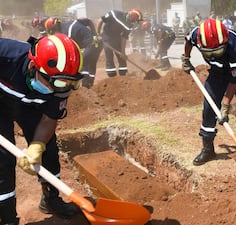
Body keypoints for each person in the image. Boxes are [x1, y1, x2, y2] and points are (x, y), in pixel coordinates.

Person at [0, 33, 84, 224]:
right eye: (58, 83)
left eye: (69, 83)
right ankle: (6, 217)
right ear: (33, 66)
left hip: (29, 104)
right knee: (2, 158)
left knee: (48, 148)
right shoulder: (5, 55)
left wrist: (37, 145)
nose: (60, 89)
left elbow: (48, 119)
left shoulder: (62, 83)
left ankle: (51, 199)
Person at [182, 18, 236, 165]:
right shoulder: (196, 35)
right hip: (217, 72)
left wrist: (225, 104)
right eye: (209, 54)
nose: (213, 56)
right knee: (209, 107)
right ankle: (208, 149)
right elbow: (188, 42)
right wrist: (186, 58)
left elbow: (234, 79)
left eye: (217, 52)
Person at [44, 17, 103, 88]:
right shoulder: (71, 22)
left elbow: (70, 49)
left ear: (56, 27)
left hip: (91, 44)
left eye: (52, 31)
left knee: (82, 62)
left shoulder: (67, 33)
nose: (53, 33)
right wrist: (95, 34)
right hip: (97, 43)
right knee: (91, 63)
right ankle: (90, 84)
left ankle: (85, 86)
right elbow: (89, 21)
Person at [97, 8, 143, 77]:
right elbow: (101, 20)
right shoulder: (115, 13)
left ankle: (123, 74)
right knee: (109, 54)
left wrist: (123, 52)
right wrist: (98, 33)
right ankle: (111, 74)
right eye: (136, 19)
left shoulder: (129, 25)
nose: (135, 21)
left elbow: (124, 38)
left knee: (121, 57)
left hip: (117, 38)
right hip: (107, 36)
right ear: (133, 15)